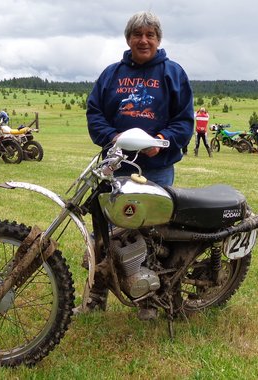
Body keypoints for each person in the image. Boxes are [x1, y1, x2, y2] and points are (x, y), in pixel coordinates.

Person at [83, 11, 194, 319]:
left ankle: (149, 299)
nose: (143, 40)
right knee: (104, 232)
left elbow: (184, 120)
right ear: (128, 38)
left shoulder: (173, 73)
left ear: (158, 39)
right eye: (137, 35)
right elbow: (94, 114)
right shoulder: (111, 74)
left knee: (153, 234)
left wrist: (161, 141)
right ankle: (96, 294)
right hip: (115, 164)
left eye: (150, 35)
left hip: (155, 168)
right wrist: (114, 137)